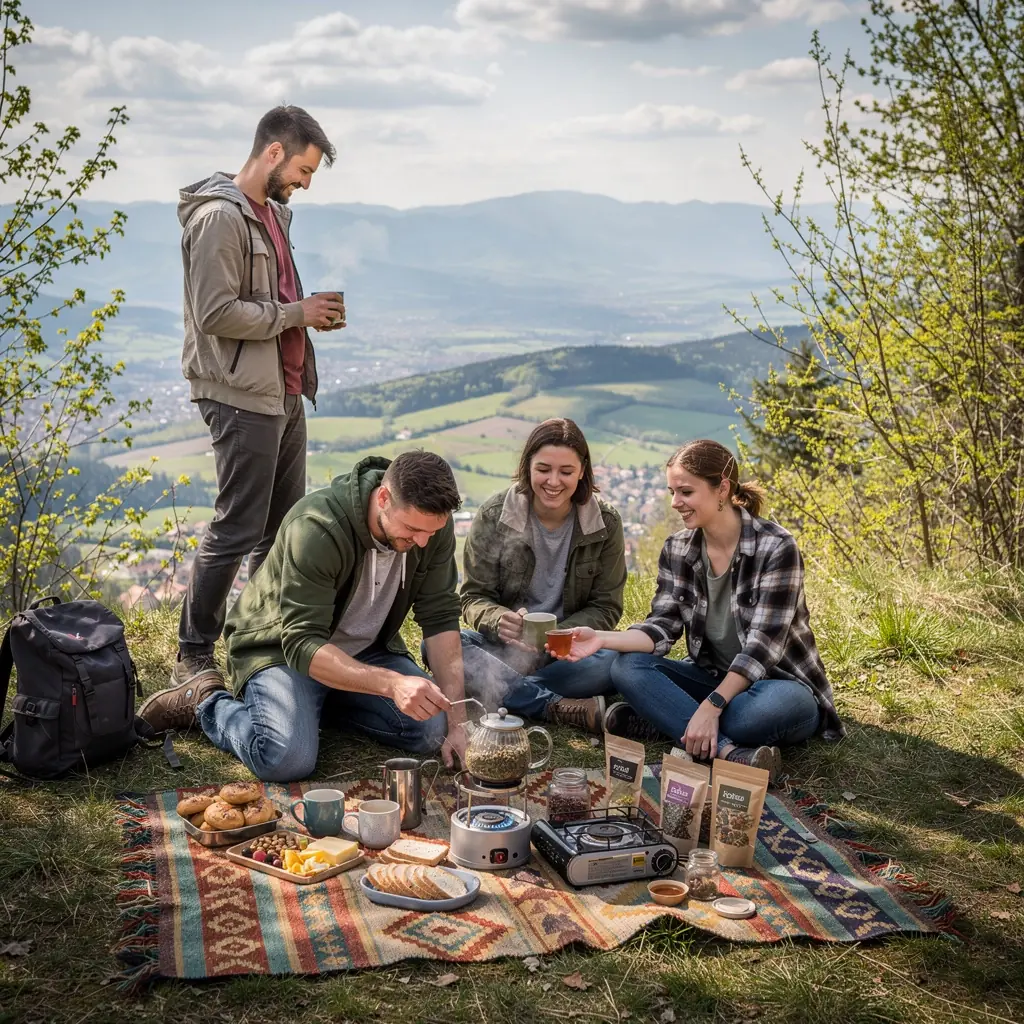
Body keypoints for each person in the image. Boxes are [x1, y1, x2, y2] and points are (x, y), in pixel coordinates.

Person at [152, 105, 347, 710]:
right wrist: (296, 313)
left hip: (282, 391)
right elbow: (215, 312)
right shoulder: (218, 217)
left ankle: (256, 638)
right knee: (238, 525)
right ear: (273, 152)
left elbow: (271, 302)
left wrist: (307, 316)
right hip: (240, 395)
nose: (305, 183)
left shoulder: (272, 215)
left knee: (282, 530)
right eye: (304, 170)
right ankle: (193, 652)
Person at [138, 452, 470, 781]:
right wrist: (392, 684)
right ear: (383, 498)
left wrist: (459, 722)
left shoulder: (430, 526)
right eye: (412, 529)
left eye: (431, 532)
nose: (422, 542)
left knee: (432, 729)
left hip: (366, 650)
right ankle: (204, 702)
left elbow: (440, 618)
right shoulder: (317, 527)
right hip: (281, 651)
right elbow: (301, 643)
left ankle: (314, 707)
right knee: (285, 759)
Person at [550, 439, 843, 779]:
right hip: (712, 678)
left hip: (778, 686)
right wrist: (601, 638)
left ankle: (670, 721)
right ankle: (728, 752)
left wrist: (712, 705)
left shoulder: (776, 547)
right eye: (672, 492)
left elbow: (763, 648)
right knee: (626, 667)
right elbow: (661, 627)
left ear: (722, 489)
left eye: (686, 492)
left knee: (753, 715)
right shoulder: (677, 549)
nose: (676, 502)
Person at [456, 418, 627, 735]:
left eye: (566, 472)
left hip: (568, 653)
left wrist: (561, 635)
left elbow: (606, 606)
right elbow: (472, 597)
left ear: (582, 471)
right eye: (544, 469)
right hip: (504, 648)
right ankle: (555, 706)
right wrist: (498, 619)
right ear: (528, 467)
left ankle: (502, 687)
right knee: (446, 644)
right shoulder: (494, 516)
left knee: (615, 660)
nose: (554, 481)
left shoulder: (605, 523)